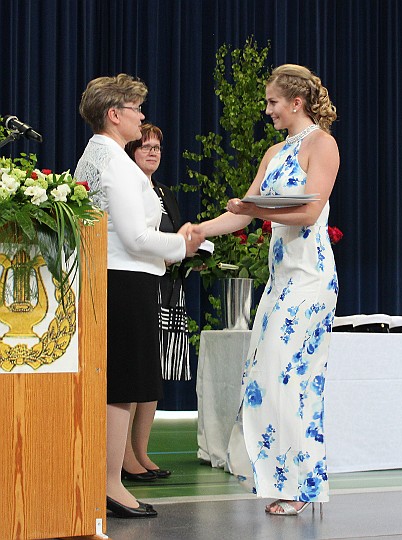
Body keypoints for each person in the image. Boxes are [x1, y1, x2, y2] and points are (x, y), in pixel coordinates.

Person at [198, 64, 339, 516]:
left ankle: (302, 484)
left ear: (296, 103)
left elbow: (310, 213)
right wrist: (198, 231)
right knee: (264, 375)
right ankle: (283, 476)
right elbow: (242, 211)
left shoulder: (323, 145)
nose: (267, 110)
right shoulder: (275, 151)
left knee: (290, 375)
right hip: (281, 280)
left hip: (310, 277)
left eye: (272, 102)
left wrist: (256, 211)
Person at [74, 74, 204, 518]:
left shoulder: (95, 155)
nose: (141, 115)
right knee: (124, 385)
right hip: (126, 281)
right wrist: (183, 244)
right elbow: (135, 238)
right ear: (114, 115)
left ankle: (104, 479)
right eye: (135, 109)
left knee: (117, 383)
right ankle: (111, 484)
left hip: (109, 278)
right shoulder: (116, 164)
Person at [120, 123, 191, 483]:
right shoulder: (127, 186)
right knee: (135, 371)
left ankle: (141, 451)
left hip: (167, 287)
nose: (153, 153)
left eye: (157, 148)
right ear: (131, 151)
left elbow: (174, 234)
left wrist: (188, 251)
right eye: (145, 146)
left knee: (153, 372)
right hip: (138, 284)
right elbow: (134, 237)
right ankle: (124, 457)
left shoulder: (163, 191)